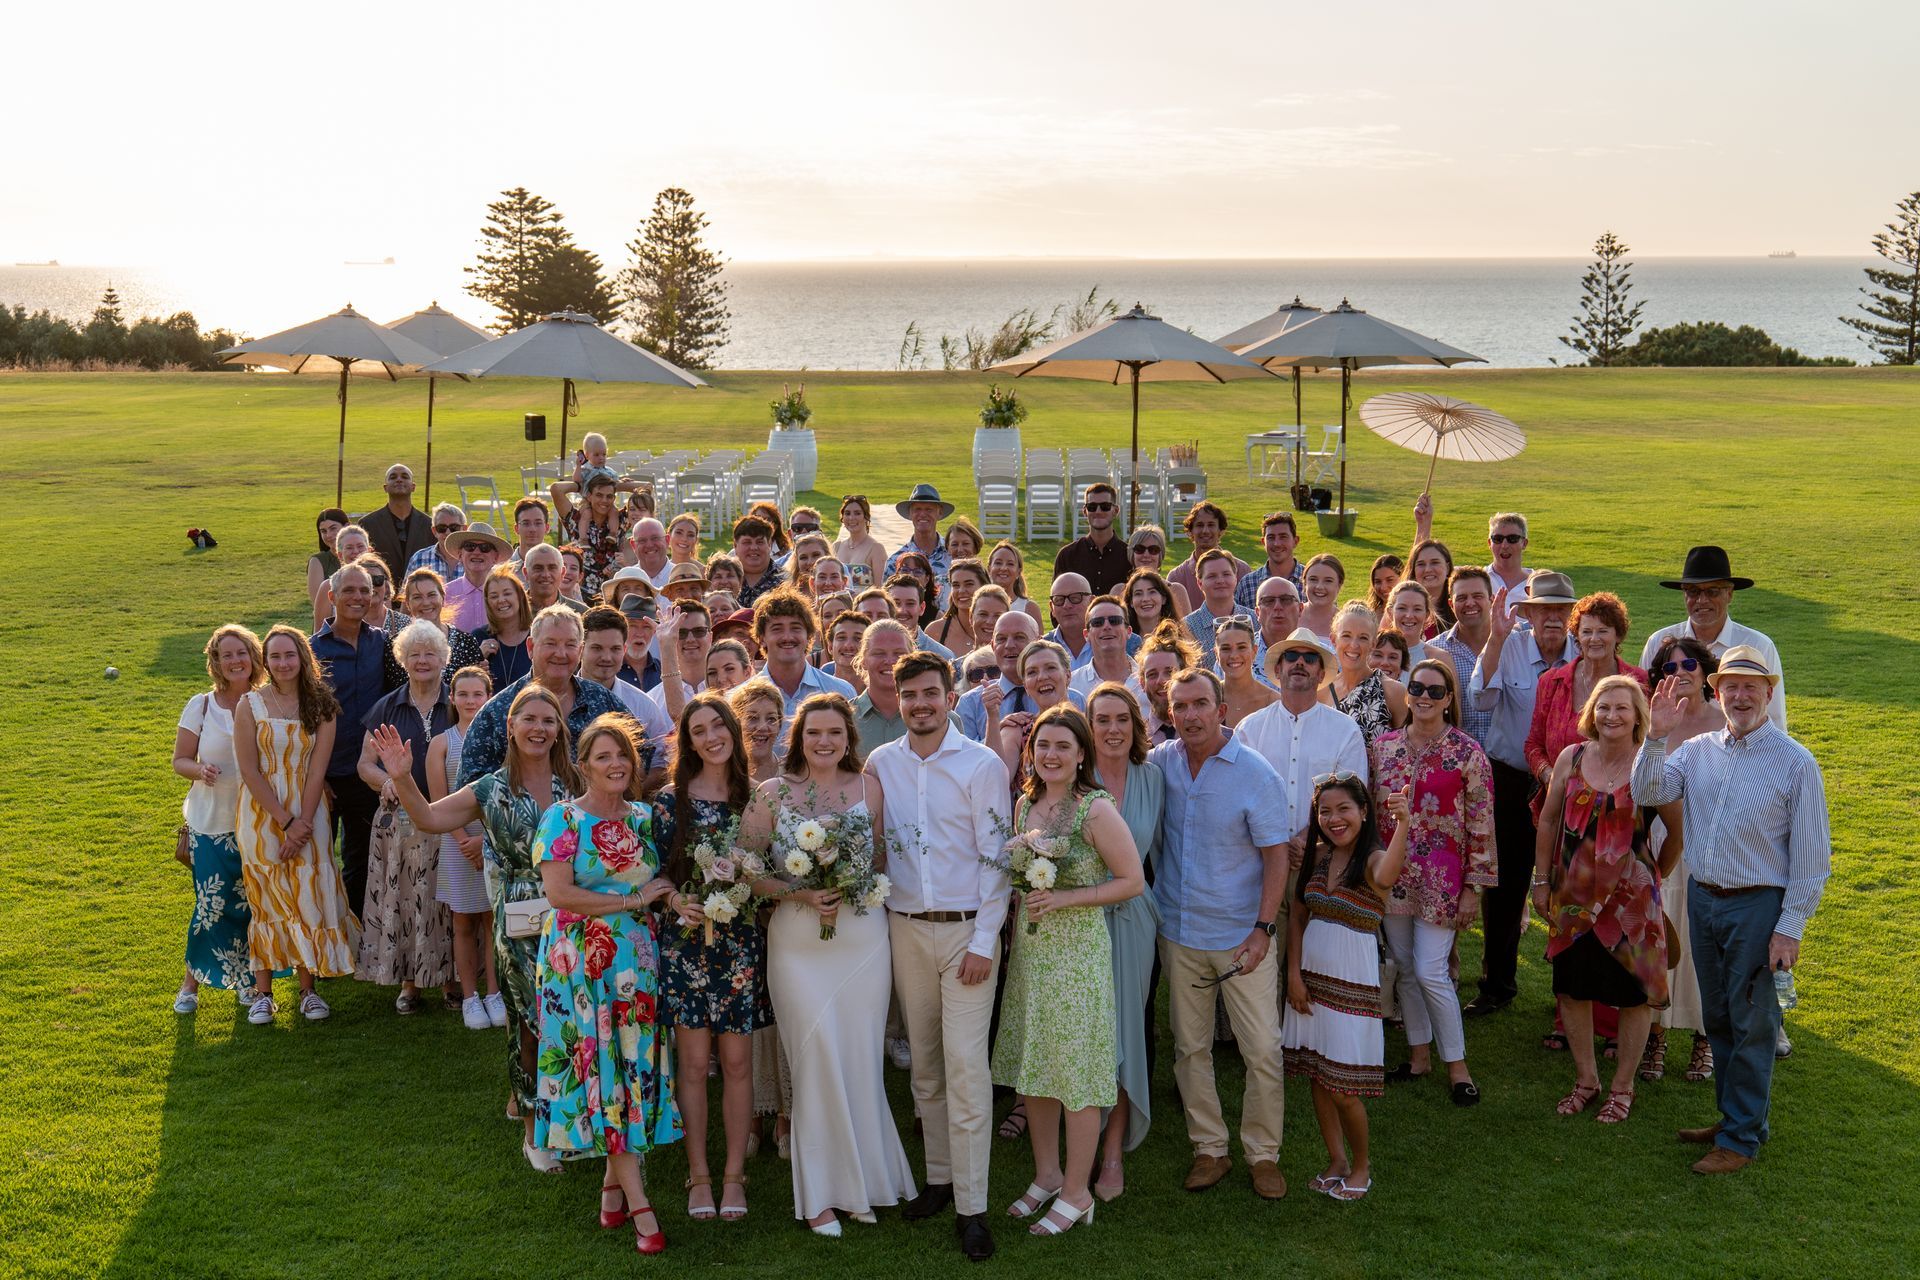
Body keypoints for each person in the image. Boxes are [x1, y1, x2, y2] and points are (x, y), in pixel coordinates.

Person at [1632, 648, 1829, 1174]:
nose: (1740, 696)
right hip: (1705, 898)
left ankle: (1740, 1140)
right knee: (1717, 1017)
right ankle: (1736, 1119)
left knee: (1752, 1022)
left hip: (1758, 906)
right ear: (1716, 693)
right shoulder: (1695, 751)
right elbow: (1647, 791)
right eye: (1731, 687)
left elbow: (1811, 860)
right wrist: (1655, 736)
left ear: (1769, 692)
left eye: (1752, 687)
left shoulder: (1795, 762)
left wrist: (1789, 930)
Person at [374, 686, 577, 1172]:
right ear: (510, 726)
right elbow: (427, 818)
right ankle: (533, 1131)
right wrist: (402, 779)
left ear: (559, 730)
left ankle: (573, 1119)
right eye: (529, 718)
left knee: (572, 1023)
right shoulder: (490, 788)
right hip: (522, 920)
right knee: (529, 1025)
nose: (538, 728)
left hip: (575, 920)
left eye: (548, 721)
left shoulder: (578, 783)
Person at [744, 695, 913, 1235]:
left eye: (834, 732)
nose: (824, 741)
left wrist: (850, 884)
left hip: (862, 940)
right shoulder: (770, 794)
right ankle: (819, 1195)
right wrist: (797, 891)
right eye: (814, 732)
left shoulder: (870, 788)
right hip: (797, 946)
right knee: (815, 1061)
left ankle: (863, 1184)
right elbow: (745, 870)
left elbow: (881, 853)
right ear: (799, 737)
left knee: (861, 1060)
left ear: (848, 737)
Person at [869, 654, 1012, 1259]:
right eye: (910, 695)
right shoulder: (881, 763)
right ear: (897, 700)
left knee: (965, 1066)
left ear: (951, 697)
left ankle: (973, 1207)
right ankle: (938, 1179)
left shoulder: (981, 764)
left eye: (931, 692)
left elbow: (997, 860)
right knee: (924, 1063)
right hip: (904, 929)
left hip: (966, 935)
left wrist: (984, 942)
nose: (920, 703)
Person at [992, 705, 1146, 1237]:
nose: (1051, 755)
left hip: (1078, 956)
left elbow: (1132, 881)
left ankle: (1079, 1193)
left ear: (1082, 754)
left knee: (1075, 1074)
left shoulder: (1094, 809)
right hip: (1033, 955)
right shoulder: (1025, 804)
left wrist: (1069, 899)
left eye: (1063, 746)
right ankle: (1047, 1174)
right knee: (1036, 1065)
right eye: (1043, 745)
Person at [530, 716, 681, 1252]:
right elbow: (561, 895)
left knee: (630, 1069)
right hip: (580, 966)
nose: (615, 764)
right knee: (605, 1072)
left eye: (622, 755)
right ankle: (642, 1208)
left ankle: (612, 1196)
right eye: (602, 756)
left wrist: (662, 901)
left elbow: (660, 880)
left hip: (635, 964)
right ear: (582, 765)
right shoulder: (562, 819)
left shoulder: (643, 817)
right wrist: (632, 902)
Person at [1151, 669, 1291, 1199]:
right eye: (1180, 706)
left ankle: (1263, 1154)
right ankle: (1209, 1148)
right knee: (1190, 1049)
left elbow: (1276, 858)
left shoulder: (1255, 774)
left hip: (1241, 937)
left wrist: (1262, 930)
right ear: (1170, 713)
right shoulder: (1161, 764)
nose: (1190, 715)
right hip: (1181, 933)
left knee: (1262, 1050)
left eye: (1200, 704)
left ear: (1222, 709)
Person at [1533, 676, 1670, 1124]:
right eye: (1604, 707)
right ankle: (1586, 1080)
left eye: (1622, 708)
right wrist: (1540, 881)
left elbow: (1678, 831)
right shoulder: (1571, 758)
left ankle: (1622, 1088)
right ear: (1591, 712)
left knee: (1632, 996)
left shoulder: (1650, 765)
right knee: (1572, 991)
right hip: (1572, 897)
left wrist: (1653, 877)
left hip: (1632, 907)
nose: (1611, 716)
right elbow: (1549, 822)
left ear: (1638, 717)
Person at [655, 694, 771, 1223]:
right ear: (689, 741)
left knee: (739, 1062)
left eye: (717, 725)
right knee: (696, 1064)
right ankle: (698, 1173)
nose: (710, 737)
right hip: (685, 945)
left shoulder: (757, 798)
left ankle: (734, 1177)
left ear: (732, 730)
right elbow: (650, 875)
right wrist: (676, 898)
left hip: (741, 945)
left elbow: (768, 869)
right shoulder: (666, 802)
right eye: (698, 730)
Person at [1283, 774, 1411, 1201]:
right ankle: (1335, 1160)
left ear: (1363, 812)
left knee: (1343, 1085)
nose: (1334, 819)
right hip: (1311, 981)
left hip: (1352, 982)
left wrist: (1405, 824)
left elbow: (1390, 874)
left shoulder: (1373, 859)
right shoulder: (1317, 858)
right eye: (1325, 811)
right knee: (1318, 1076)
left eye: (1343, 810)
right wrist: (1294, 975)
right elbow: (1299, 917)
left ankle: (1361, 1164)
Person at [1372, 658, 1493, 1105]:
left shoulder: (1467, 752)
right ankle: (1418, 1055)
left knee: (1430, 970)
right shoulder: (1382, 748)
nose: (1424, 697)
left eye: (1435, 691)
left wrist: (1473, 887)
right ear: (1407, 694)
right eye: (1417, 688)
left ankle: (1457, 1065)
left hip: (1443, 880)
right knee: (1404, 965)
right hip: (1392, 875)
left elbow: (1482, 823)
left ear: (1449, 699)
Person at [1466, 569, 1577, 1015]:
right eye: (1543, 609)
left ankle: (1569, 992)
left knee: (1570, 886)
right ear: (1528, 613)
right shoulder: (1507, 644)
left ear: (1571, 614)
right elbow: (1480, 700)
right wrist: (1494, 638)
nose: (1552, 618)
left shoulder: (1585, 653)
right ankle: (1497, 985)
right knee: (1506, 886)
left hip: (1570, 785)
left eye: (1560, 610)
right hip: (1512, 778)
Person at [234, 625, 358, 1024]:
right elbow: (250, 771)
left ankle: (308, 991)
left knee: (307, 892)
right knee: (266, 897)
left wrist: (302, 824)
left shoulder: (322, 705)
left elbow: (317, 771)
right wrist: (284, 820)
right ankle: (263, 994)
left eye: (290, 655)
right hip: (260, 812)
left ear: (303, 658)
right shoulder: (250, 704)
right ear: (265, 662)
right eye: (275, 657)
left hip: (310, 808)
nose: (283, 663)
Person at [1084, 685, 1163, 1202]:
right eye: (1102, 719)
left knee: (1124, 1032)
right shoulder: (1072, 777)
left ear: (1136, 726)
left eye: (1122, 719)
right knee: (1086, 1032)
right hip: (1081, 924)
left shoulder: (1154, 778)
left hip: (1135, 922)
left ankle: (1113, 1151)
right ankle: (1081, 1138)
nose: (1113, 729)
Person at [353, 620, 456, 1012]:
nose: (423, 660)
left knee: (445, 899)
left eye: (430, 653)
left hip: (449, 815)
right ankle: (409, 983)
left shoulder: (459, 701)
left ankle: (450, 980)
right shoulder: (386, 706)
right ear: (404, 660)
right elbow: (365, 763)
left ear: (444, 658)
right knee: (406, 899)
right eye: (414, 654)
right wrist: (386, 782)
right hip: (401, 823)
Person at [171, 625, 271, 1013]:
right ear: (215, 662)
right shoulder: (201, 705)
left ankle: (248, 982)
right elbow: (180, 759)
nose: (235, 661)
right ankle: (190, 985)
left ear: (253, 657)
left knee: (251, 903)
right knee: (210, 904)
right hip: (210, 820)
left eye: (241, 653)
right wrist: (199, 771)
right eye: (226, 655)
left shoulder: (267, 702)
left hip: (257, 821)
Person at [1640, 636, 1725, 1084]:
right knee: (1660, 937)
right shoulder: (1653, 721)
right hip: (1657, 842)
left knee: (1700, 942)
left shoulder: (1725, 719)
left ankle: (1705, 1036)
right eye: (1670, 667)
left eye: (1689, 662)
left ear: (1706, 670)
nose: (1681, 672)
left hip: (1710, 847)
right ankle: (1655, 1035)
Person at [1235, 629, 1369, 896]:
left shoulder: (1345, 730)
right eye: (1292, 656)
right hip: (1259, 863)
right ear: (1278, 668)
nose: (1300, 663)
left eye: (1309, 659)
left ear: (1320, 674)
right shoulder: (1250, 729)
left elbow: (1354, 799)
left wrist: (1307, 841)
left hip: (1325, 861)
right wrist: (1278, 845)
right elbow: (1238, 797)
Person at [310, 561, 396, 917]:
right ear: (331, 596)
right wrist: (315, 777)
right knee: (319, 860)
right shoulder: (313, 651)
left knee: (360, 859)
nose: (358, 597)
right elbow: (304, 717)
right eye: (349, 590)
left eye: (365, 590)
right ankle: (323, 939)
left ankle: (357, 938)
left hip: (367, 772)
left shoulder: (383, 644)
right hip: (325, 774)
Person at [458, 606, 626, 785]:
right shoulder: (498, 710)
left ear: (580, 651)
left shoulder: (604, 702)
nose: (561, 654)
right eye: (550, 643)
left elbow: (642, 756)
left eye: (570, 645)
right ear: (530, 647)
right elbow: (471, 783)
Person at [1525, 592, 1650, 822]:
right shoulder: (1551, 682)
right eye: (1587, 631)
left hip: (1620, 809)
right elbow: (1533, 745)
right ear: (1576, 636)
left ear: (1618, 635)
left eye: (1603, 631)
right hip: (1560, 809)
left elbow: (1645, 741)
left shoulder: (1638, 682)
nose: (1595, 639)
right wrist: (1552, 777)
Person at [429, 664, 504, 1031]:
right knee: (462, 920)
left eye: (478, 694)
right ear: (452, 698)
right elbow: (437, 799)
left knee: (493, 919)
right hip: (457, 842)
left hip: (492, 837)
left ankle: (494, 992)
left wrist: (485, 840)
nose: (471, 700)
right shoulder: (442, 743)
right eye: (464, 694)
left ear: (488, 697)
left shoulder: (500, 737)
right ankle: (470, 997)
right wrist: (464, 842)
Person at [1639, 546, 1786, 730]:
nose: (1702, 600)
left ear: (1729, 593)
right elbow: (1642, 708)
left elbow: (1775, 718)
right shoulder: (1657, 642)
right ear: (1684, 594)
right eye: (1693, 591)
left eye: (1712, 591)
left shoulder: (1759, 646)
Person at [753, 588, 856, 716]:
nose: (788, 637)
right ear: (762, 639)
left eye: (795, 628)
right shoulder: (741, 699)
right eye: (777, 629)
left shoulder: (841, 692)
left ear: (809, 636)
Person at [1328, 602, 1408, 753]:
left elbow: (1408, 752)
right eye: (1346, 636)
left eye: (1363, 638)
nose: (1354, 645)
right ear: (1333, 640)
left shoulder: (1393, 691)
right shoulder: (1323, 690)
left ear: (1373, 644)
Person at [1428, 567, 1495, 745]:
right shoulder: (1435, 650)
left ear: (1492, 600)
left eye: (1478, 596)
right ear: (1451, 604)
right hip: (1458, 758)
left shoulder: (1512, 644)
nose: (1470, 603)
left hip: (1506, 762)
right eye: (1462, 598)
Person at [386, 568, 484, 687]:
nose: (426, 602)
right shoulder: (395, 647)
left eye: (431, 595)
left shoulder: (466, 643)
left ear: (442, 598)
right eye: (417, 597)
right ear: (407, 603)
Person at [956, 610, 1041, 742]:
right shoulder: (971, 703)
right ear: (993, 646)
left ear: (1038, 643)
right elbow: (964, 758)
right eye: (1001, 639)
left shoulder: (1067, 698)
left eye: (1019, 637)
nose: (1009, 645)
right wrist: (997, 732)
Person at [996, 639, 1075, 778]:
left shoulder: (1093, 726)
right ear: (1025, 686)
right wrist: (993, 720)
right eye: (1032, 672)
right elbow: (997, 781)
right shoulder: (1016, 729)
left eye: (1051, 668)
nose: (1042, 677)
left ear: (1067, 676)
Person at [553, 467, 633, 602]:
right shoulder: (576, 520)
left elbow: (646, 489)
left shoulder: (619, 521)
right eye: (599, 495)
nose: (604, 500)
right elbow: (556, 489)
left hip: (611, 593)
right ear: (589, 496)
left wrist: (616, 485)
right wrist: (583, 485)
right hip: (578, 593)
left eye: (609, 496)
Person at [850, 620, 922, 753]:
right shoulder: (845, 718)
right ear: (864, 660)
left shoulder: (940, 718)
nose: (890, 661)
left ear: (912, 658)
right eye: (879, 653)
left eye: (899, 654)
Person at [356, 462, 435, 582]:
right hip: (382, 590)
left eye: (404, 476)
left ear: (413, 487)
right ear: (385, 487)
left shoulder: (429, 525)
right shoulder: (367, 524)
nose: (399, 480)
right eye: (393, 477)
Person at [1054, 481, 1131, 596]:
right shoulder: (1067, 556)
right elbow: (1057, 602)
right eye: (1092, 507)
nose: (1098, 512)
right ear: (1085, 511)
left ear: (1116, 511)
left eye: (1105, 506)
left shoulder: (1129, 556)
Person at [1167, 502, 1248, 606]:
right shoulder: (1177, 578)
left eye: (1211, 525)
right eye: (1200, 525)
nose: (1205, 531)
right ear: (1190, 532)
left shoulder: (1242, 570)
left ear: (1221, 531)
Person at [1134, 623, 1199, 744]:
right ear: (1142, 683)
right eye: (1152, 674)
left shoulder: (1204, 732)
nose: (1161, 681)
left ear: (1186, 674)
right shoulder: (1135, 739)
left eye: (1169, 672)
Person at [471, 565, 533, 690]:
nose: (501, 600)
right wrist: (475, 662)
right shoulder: (478, 637)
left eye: (507, 593)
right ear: (487, 601)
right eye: (494, 596)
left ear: (520, 596)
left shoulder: (537, 636)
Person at [1182, 549, 1245, 667]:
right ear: (1200, 583)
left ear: (1235, 578)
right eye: (1212, 576)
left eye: (1226, 574)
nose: (1220, 580)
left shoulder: (1254, 620)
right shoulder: (1187, 627)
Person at [443, 523, 511, 632]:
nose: (477, 552)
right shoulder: (444, 594)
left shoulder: (508, 595)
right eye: (470, 546)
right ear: (460, 554)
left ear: (496, 557)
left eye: (485, 548)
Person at [885, 483, 955, 587]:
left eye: (928, 509)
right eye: (917, 509)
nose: (922, 514)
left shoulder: (954, 555)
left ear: (939, 513)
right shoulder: (895, 562)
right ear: (910, 513)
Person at [1069, 595, 1137, 701]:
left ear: (1128, 631)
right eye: (1097, 622)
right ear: (1086, 635)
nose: (1106, 626)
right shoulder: (1071, 685)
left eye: (1114, 620)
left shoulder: (1148, 680)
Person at [1215, 616, 1278, 727]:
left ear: (1254, 651)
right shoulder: (1208, 699)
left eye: (1241, 647)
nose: (1234, 656)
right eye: (1225, 648)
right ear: (1216, 654)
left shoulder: (1273, 702)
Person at [1235, 511, 1306, 610]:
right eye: (1271, 538)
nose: (1277, 543)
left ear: (1295, 541)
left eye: (1283, 537)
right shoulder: (1247, 584)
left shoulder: (1311, 581)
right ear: (1263, 542)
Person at [309, 523, 370, 629]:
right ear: (340, 555)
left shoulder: (379, 582)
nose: (356, 551)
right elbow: (319, 633)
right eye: (349, 548)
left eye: (360, 546)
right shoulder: (327, 586)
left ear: (369, 550)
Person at [1125, 527, 1193, 616]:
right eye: (1139, 549)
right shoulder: (1119, 591)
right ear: (1132, 553)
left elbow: (1186, 628)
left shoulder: (1177, 591)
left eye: (1153, 550)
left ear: (1161, 554)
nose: (1146, 554)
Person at [886, 574, 955, 661]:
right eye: (896, 603)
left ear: (922, 608)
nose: (902, 611)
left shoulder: (942, 657)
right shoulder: (870, 650)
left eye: (910, 603)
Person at [927, 557, 986, 653]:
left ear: (984, 586)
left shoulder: (996, 627)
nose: (961, 591)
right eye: (956, 585)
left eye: (969, 584)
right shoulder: (935, 631)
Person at [831, 493, 888, 590]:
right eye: (847, 513)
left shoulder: (876, 549)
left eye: (857, 513)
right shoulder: (836, 547)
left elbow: (879, 588)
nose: (851, 518)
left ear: (866, 517)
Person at [730, 514, 787, 608]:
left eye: (759, 542)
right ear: (735, 546)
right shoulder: (723, 579)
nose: (753, 548)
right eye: (747, 542)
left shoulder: (786, 580)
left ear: (769, 545)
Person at [1405, 537, 1457, 635]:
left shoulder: (1458, 606)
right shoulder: (1399, 607)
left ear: (1447, 567)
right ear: (1413, 571)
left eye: (1435, 563)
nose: (1428, 569)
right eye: (1421, 564)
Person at [307, 507, 350, 617]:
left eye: (333, 528)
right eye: (323, 531)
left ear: (346, 527)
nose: (328, 535)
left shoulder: (362, 557)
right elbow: (318, 604)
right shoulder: (318, 561)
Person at [987, 541, 1044, 625]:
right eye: (998, 563)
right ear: (989, 569)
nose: (1003, 568)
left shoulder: (1029, 608)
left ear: (1018, 572)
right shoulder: (978, 605)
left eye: (1010, 564)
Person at [1045, 572, 1094, 667]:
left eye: (1075, 598)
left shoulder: (1125, 644)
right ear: (1052, 608)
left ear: (1092, 602)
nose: (1067, 605)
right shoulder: (1041, 649)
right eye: (1059, 600)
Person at [405, 503, 467, 579]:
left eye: (454, 527)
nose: (448, 532)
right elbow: (406, 590)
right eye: (442, 528)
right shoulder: (419, 559)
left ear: (464, 529)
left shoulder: (474, 559)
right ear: (434, 531)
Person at [1485, 512, 1533, 608]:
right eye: (1498, 539)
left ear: (1524, 543)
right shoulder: (1479, 581)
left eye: (1512, 539)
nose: (1504, 546)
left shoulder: (1537, 583)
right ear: (1490, 543)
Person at [522, 544, 585, 617]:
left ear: (562, 572)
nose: (546, 575)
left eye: (552, 568)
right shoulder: (513, 610)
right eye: (538, 568)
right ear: (526, 573)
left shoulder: (581, 614)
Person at [1124, 569, 1186, 641]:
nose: (1145, 599)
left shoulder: (1178, 640)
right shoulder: (1122, 639)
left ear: (1163, 599)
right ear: (1131, 602)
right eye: (1138, 593)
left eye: (1152, 592)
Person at [1384, 581, 1434, 671]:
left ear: (1427, 615)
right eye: (1402, 608)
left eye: (1417, 609)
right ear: (1390, 613)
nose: (1409, 615)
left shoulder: (1439, 658)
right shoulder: (1372, 656)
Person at [1298, 553, 1345, 643]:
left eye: (1328, 581)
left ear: (1339, 585)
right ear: (1304, 583)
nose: (1319, 586)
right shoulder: (1290, 616)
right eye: (1313, 579)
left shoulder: (1346, 623)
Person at [625, 517, 671, 587]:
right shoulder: (625, 580)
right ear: (633, 545)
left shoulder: (683, 577)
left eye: (655, 538)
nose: (649, 545)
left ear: (667, 540)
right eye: (642, 540)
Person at [508, 497, 551, 570]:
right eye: (526, 523)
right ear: (516, 528)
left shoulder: (558, 567)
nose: (532, 529)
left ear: (547, 528)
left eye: (538, 523)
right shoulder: (503, 571)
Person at [789, 532, 831, 597]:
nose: (810, 562)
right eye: (803, 557)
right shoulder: (789, 595)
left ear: (827, 555)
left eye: (816, 555)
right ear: (797, 562)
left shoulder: (842, 591)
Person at [1364, 554, 1405, 619]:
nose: (1383, 588)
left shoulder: (1412, 614)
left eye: (1390, 580)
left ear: (1403, 577)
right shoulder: (1368, 615)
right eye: (1378, 581)